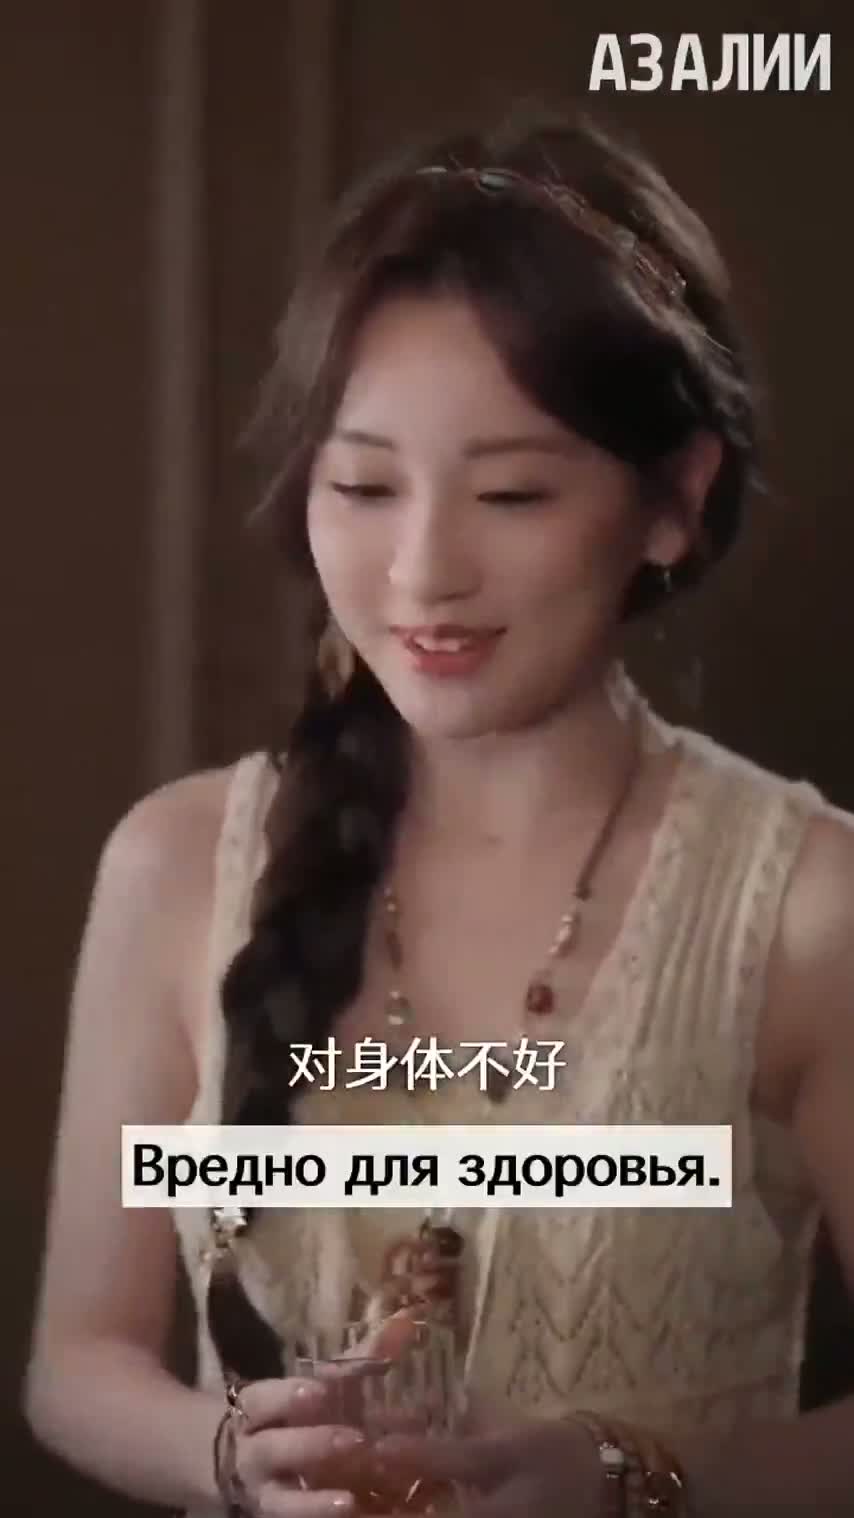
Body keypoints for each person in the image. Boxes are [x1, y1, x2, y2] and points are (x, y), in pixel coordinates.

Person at [24, 104, 854, 1518]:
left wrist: (634, 1473)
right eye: (361, 484)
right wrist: (232, 1456)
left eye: (512, 493)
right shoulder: (177, 865)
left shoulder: (801, 906)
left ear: (673, 497)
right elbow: (77, 1361)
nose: (421, 571)